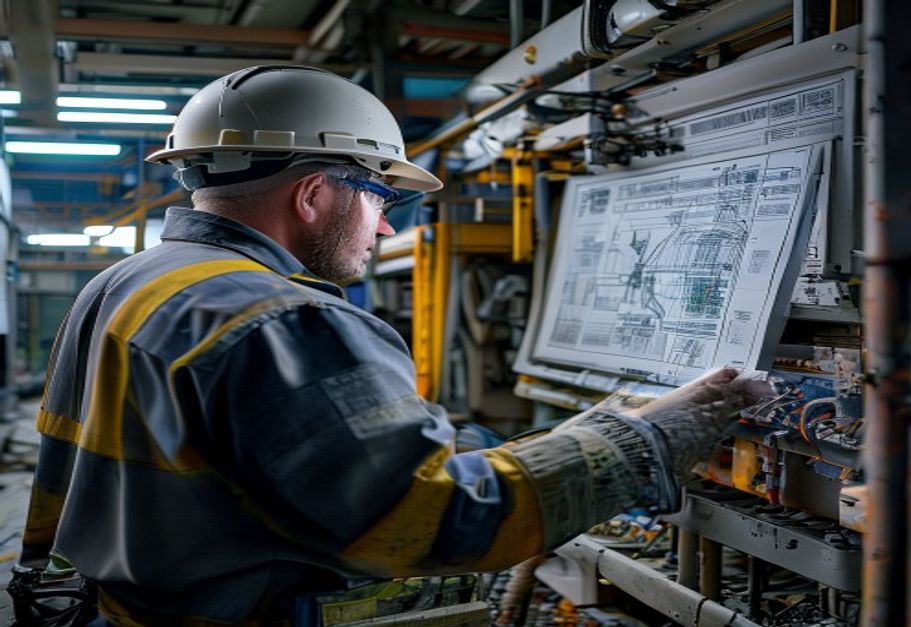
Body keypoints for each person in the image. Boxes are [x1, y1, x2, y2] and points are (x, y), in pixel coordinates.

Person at [14, 65, 770, 626]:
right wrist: (639, 443)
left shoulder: (128, 281)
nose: (384, 227)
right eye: (380, 196)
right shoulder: (281, 320)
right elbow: (436, 519)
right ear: (313, 194)